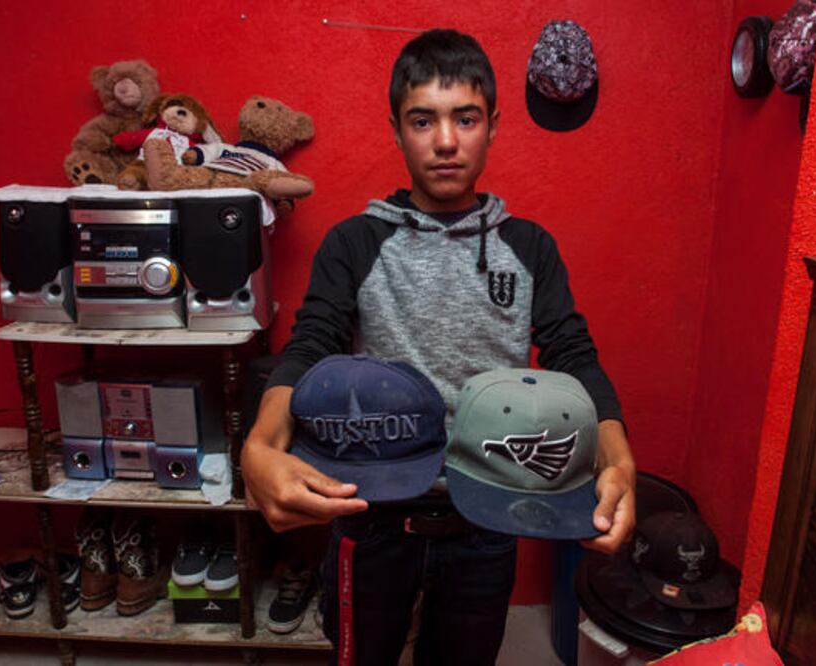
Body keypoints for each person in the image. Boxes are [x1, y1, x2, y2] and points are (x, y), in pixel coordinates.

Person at [242, 28, 636, 666]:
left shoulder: (529, 248)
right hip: (370, 506)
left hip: (489, 511)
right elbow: (311, 345)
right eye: (423, 120)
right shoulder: (355, 242)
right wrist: (259, 446)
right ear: (397, 131)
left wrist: (619, 461)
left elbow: (573, 356)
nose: (446, 141)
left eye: (466, 119)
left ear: (493, 126)